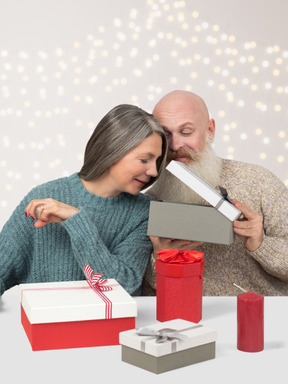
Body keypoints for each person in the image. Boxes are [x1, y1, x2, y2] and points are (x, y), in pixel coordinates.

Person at [0, 104, 167, 297]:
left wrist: (77, 220)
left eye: (157, 161)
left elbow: (123, 288)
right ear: (113, 149)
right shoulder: (45, 197)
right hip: (46, 325)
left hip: (113, 327)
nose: (154, 171)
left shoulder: (143, 213)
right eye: (145, 159)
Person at [142, 90, 288, 296]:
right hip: (185, 321)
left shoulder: (260, 182)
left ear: (210, 130)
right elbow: (142, 293)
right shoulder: (149, 200)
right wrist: (161, 257)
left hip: (263, 318)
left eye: (186, 132)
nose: (175, 145)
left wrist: (261, 245)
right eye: (165, 135)